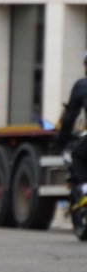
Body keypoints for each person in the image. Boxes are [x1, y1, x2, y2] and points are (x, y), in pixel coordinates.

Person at [56, 50, 87, 207]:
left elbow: (69, 118)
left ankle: (85, 190)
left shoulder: (82, 85)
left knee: (78, 156)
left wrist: (61, 140)